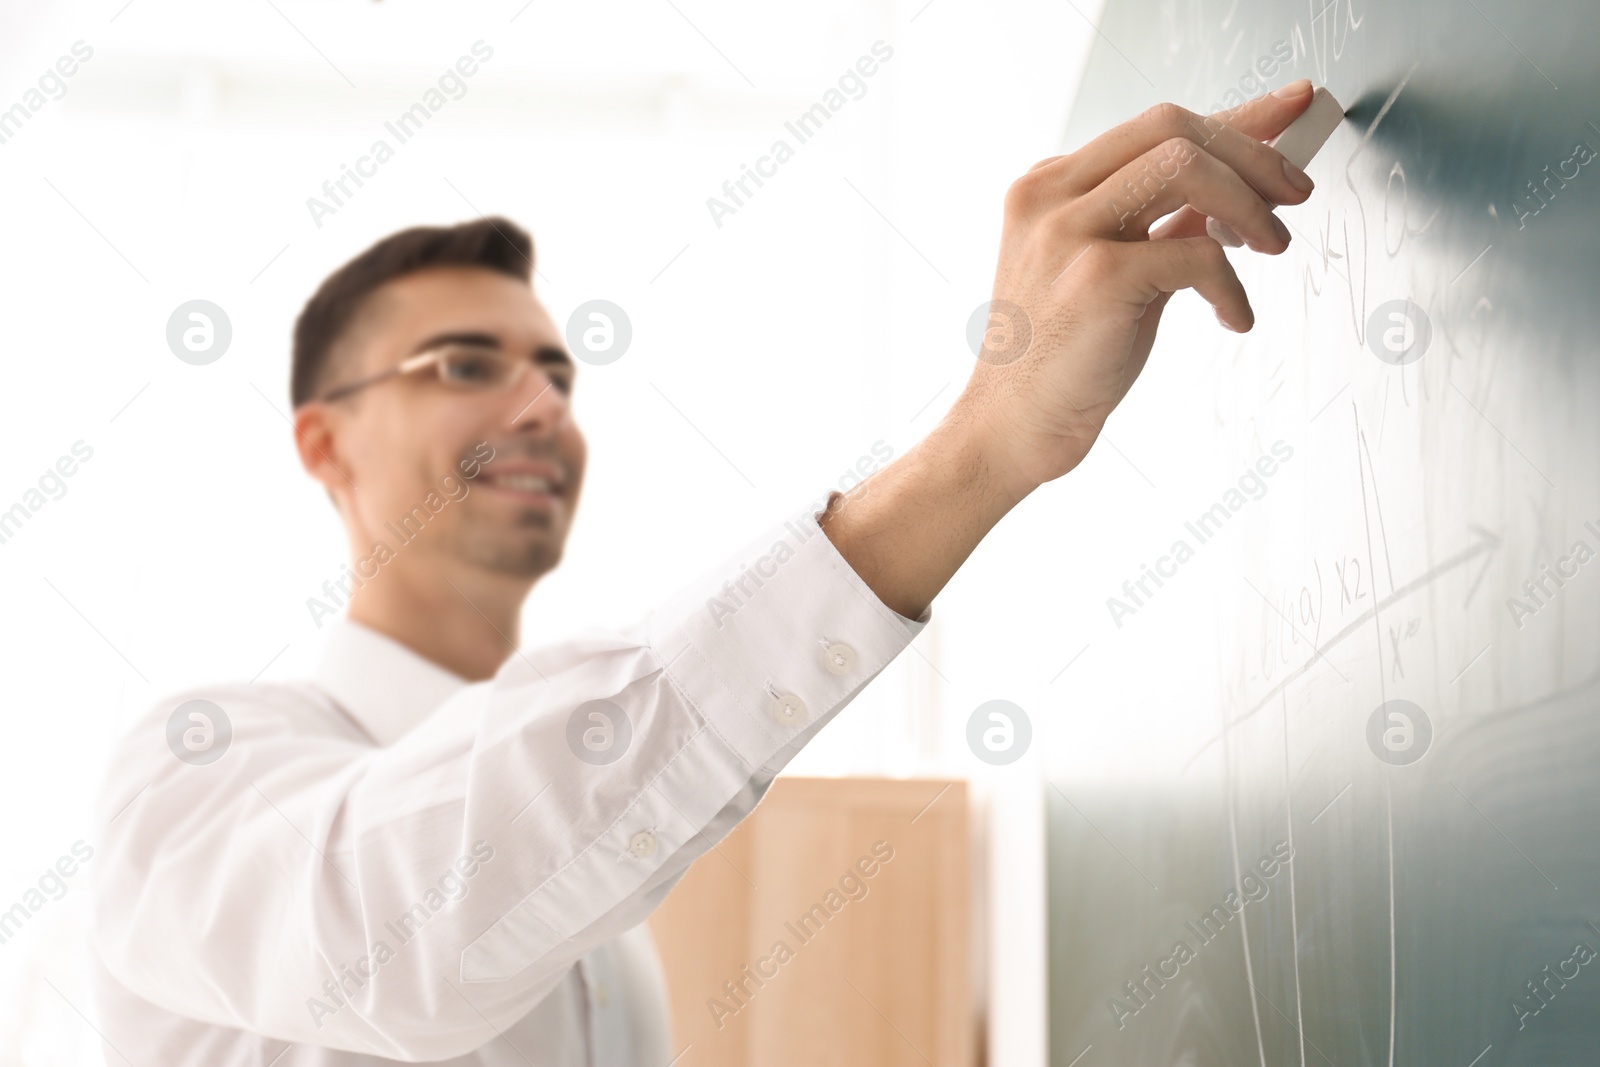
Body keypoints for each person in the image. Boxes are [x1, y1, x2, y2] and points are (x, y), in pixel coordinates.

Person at [88, 81, 1317, 1065]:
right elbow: (391, 934)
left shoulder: (601, 933)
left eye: (556, 376)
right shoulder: (191, 770)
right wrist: (978, 449)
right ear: (324, 438)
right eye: (464, 364)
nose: (536, 406)